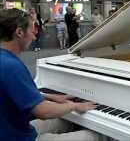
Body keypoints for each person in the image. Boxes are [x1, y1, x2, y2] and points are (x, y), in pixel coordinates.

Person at [0, 8, 102, 141]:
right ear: (19, 32)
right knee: (92, 136)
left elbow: (17, 92)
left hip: (12, 128)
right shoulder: (11, 66)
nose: (34, 36)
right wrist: (74, 105)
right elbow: (43, 112)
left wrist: (53, 97)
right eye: (32, 31)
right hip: (20, 137)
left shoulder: (5, 60)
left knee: (65, 121)